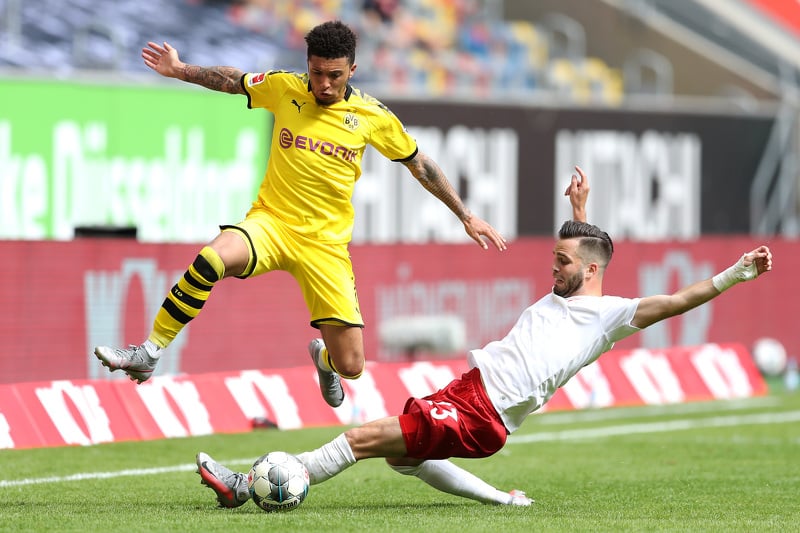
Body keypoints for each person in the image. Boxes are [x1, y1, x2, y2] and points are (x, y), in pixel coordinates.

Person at [194, 167, 773, 507]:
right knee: (404, 460)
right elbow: (581, 247)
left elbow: (676, 301)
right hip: (471, 393)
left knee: (362, 438)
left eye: (563, 260)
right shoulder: (565, 293)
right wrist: (581, 209)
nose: (554, 267)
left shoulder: (610, 315)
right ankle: (497, 498)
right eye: (554, 256)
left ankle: (249, 485)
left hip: (481, 409)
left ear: (591, 271)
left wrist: (736, 274)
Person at [93, 20, 506, 407]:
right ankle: (149, 351)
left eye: (335, 76)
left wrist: (464, 214)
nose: (323, 84)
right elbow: (234, 80)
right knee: (211, 259)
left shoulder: (373, 117)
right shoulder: (284, 88)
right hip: (271, 223)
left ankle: (324, 359)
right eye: (316, 72)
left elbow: (421, 164)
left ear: (353, 69)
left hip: (325, 247)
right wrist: (180, 69)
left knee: (352, 367)